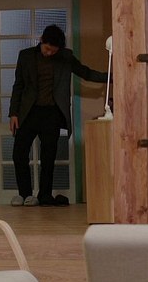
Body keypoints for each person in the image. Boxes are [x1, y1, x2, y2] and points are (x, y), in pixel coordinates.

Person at [9, 24, 108, 207]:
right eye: (47, 49)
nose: (49, 53)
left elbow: (85, 73)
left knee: (48, 157)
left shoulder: (65, 57)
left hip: (52, 113)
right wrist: (13, 113)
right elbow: (18, 85)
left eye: (53, 51)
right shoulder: (26, 56)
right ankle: (25, 194)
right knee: (19, 153)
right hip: (28, 112)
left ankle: (44, 195)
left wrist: (110, 77)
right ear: (41, 41)